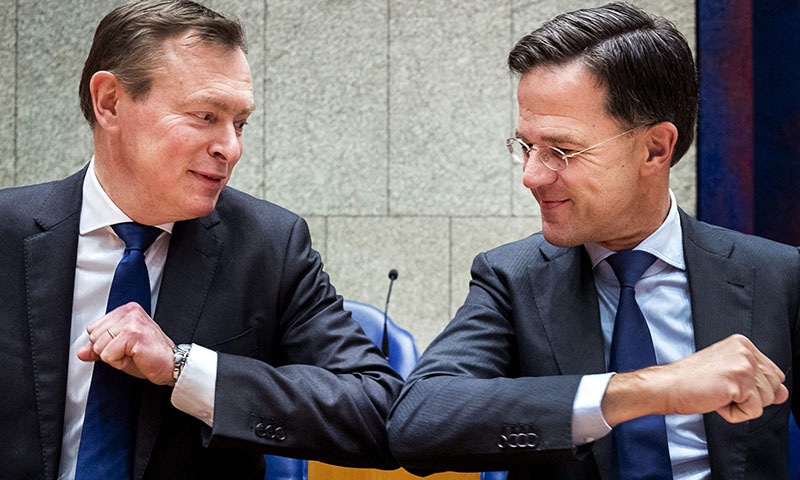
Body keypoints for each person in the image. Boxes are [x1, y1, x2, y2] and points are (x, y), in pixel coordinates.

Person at [387, 3, 800, 479]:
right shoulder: (512, 279)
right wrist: (648, 389)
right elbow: (416, 420)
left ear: (655, 148)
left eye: (561, 150)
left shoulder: (776, 275)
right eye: (526, 147)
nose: (531, 175)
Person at [0, 1, 403, 479]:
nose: (230, 148)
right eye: (205, 115)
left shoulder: (269, 246)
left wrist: (186, 368)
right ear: (110, 102)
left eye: (240, 123)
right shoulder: (8, 232)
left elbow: (381, 412)